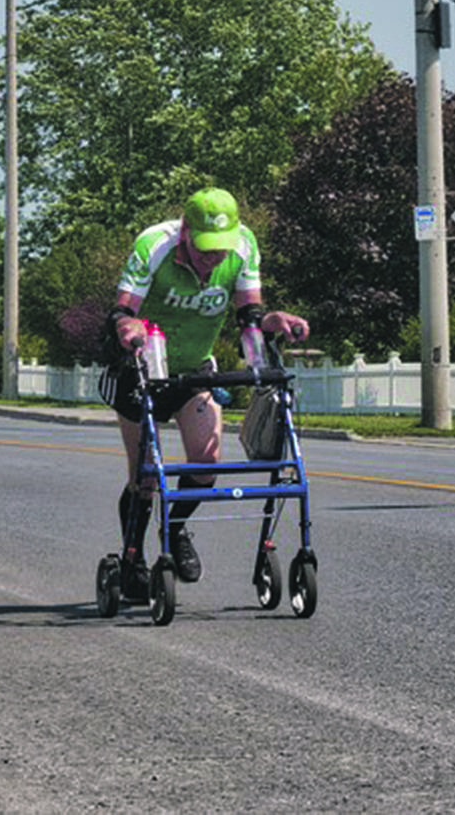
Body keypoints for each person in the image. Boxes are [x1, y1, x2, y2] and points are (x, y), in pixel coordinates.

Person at [102, 187, 308, 603]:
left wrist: (276, 319)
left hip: (194, 371)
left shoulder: (243, 244)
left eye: (220, 249)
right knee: (144, 476)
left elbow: (250, 316)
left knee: (207, 465)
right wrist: (129, 328)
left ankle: (173, 529)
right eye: (204, 249)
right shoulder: (153, 245)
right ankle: (133, 559)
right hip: (142, 371)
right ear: (184, 233)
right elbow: (121, 311)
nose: (213, 258)